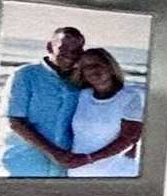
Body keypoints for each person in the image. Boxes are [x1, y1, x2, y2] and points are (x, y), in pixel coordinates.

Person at [0, 23, 88, 177]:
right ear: (49, 47)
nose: (70, 54)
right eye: (64, 48)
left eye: (76, 50)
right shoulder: (25, 75)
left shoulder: (82, 82)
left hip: (63, 171)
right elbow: (15, 122)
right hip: (22, 166)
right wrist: (54, 153)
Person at [63, 48, 146, 179]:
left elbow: (129, 138)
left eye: (97, 64)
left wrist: (88, 158)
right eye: (86, 67)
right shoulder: (82, 96)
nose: (92, 69)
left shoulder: (130, 97)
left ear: (110, 67)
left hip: (117, 174)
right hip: (78, 173)